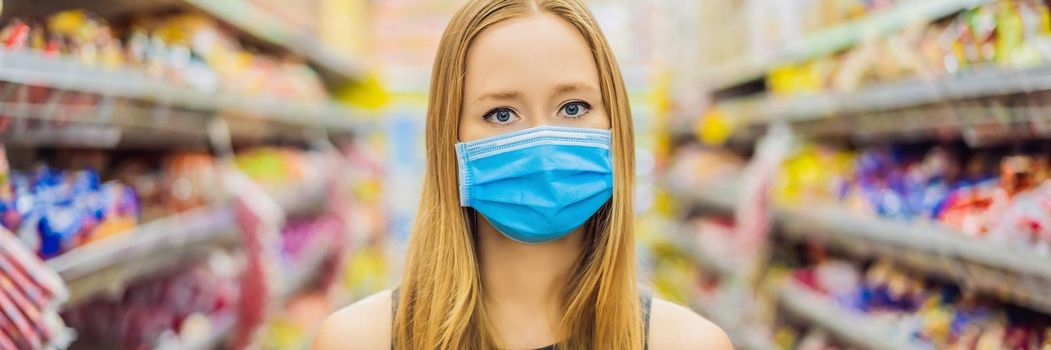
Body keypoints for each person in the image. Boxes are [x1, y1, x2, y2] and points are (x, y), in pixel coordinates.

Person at [313, 0, 732, 348]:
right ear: (448, 141)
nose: (542, 143)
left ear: (616, 127)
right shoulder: (356, 340)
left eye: (573, 107)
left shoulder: (691, 343)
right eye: (501, 114)